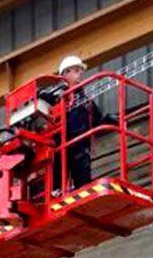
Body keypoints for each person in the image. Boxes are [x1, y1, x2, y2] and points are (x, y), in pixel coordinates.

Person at [41, 55, 111, 196]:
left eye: (81, 71)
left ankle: (82, 193)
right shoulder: (54, 95)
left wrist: (112, 120)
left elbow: (98, 119)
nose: (80, 74)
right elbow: (38, 101)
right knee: (58, 171)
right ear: (66, 73)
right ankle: (56, 192)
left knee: (83, 176)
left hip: (80, 143)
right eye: (76, 70)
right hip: (60, 143)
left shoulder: (86, 101)